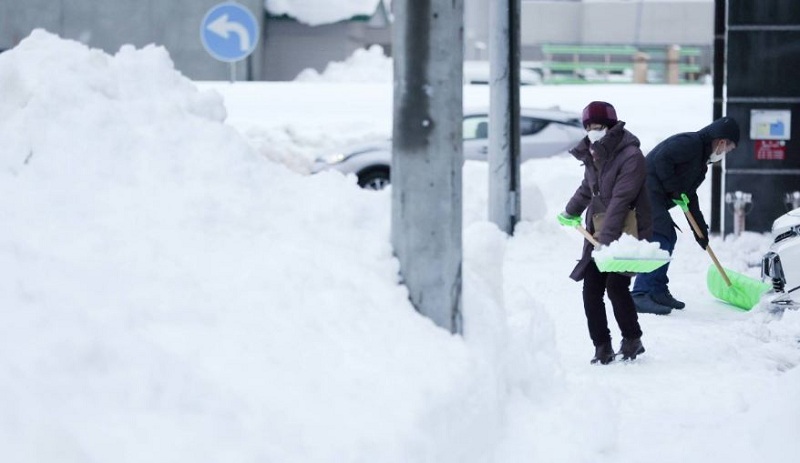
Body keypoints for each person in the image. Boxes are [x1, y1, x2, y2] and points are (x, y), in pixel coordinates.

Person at [557, 101, 653, 365]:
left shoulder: (631, 156)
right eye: (588, 126)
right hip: (599, 230)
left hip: (627, 230)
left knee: (616, 286)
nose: (592, 131)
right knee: (591, 289)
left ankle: (632, 339)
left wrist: (606, 241)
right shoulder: (594, 154)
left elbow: (621, 201)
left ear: (611, 126)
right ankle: (602, 346)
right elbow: (587, 188)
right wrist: (569, 212)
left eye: (597, 126)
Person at [631, 117, 740, 315]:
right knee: (660, 235)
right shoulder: (690, 143)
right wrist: (674, 189)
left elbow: (689, 197)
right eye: (727, 149)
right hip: (643, 189)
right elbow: (661, 159)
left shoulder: (700, 165)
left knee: (668, 237)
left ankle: (657, 290)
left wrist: (701, 231)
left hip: (655, 194)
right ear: (722, 141)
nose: (725, 154)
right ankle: (640, 293)